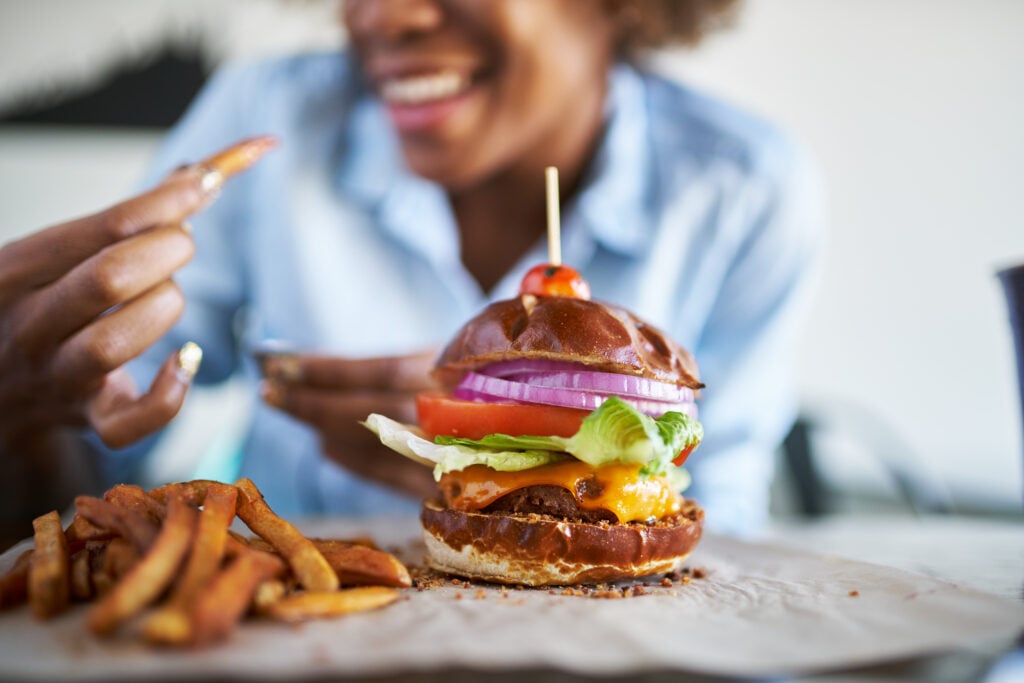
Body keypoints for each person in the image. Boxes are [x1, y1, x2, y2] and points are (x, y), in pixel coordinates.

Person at [0, 0, 823, 541]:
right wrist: (23, 408)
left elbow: (728, 527)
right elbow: (83, 474)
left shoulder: (739, 186)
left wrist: (550, 457)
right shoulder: (266, 122)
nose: (382, 16)